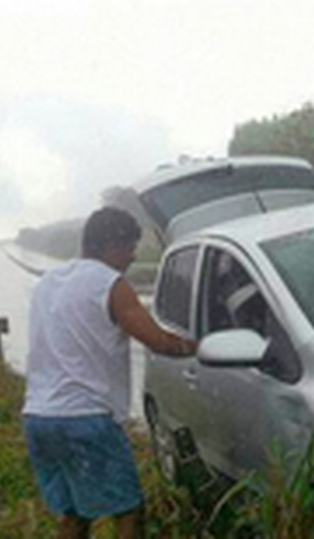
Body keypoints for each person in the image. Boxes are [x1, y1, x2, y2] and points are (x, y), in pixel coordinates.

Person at [23, 207, 200, 539]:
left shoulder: (48, 282)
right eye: (129, 247)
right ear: (109, 245)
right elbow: (158, 341)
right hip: (85, 418)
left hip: (38, 417)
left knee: (74, 513)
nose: (132, 256)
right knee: (128, 510)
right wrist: (200, 346)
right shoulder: (110, 284)